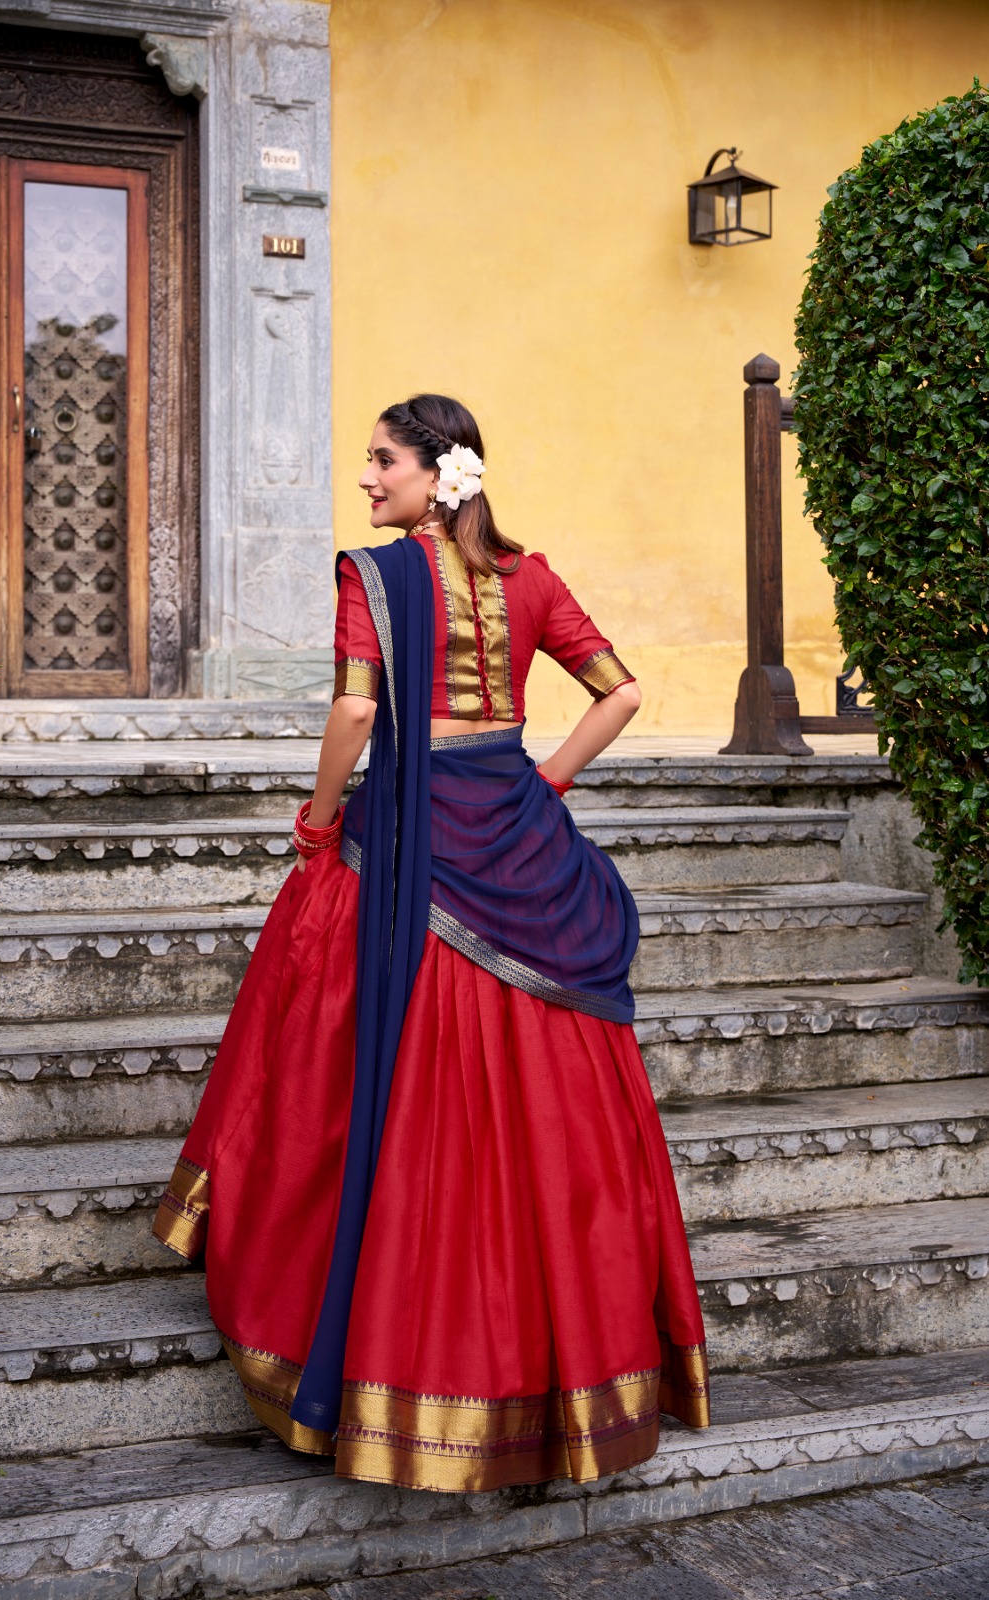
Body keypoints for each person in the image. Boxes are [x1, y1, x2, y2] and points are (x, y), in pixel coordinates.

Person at [153, 393, 709, 1493]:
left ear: (434, 473)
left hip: (408, 837)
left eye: (383, 461)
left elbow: (359, 716)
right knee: (539, 1091)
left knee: (338, 1056)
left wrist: (318, 821)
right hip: (513, 830)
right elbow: (623, 693)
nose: (367, 478)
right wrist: (544, 785)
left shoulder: (377, 576)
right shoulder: (530, 577)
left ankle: (348, 1306)